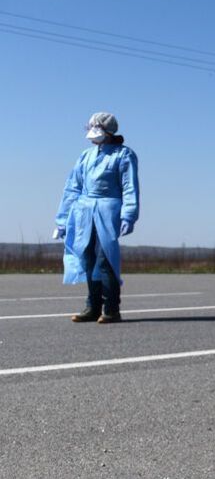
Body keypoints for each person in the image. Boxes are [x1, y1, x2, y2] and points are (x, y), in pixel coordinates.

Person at [53, 112, 140, 324]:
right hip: (83, 211)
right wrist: (62, 220)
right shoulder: (85, 156)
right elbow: (72, 187)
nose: (92, 135)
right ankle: (92, 306)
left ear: (108, 132)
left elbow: (130, 187)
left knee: (105, 259)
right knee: (88, 258)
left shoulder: (123, 155)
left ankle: (111, 308)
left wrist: (129, 214)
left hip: (107, 210)